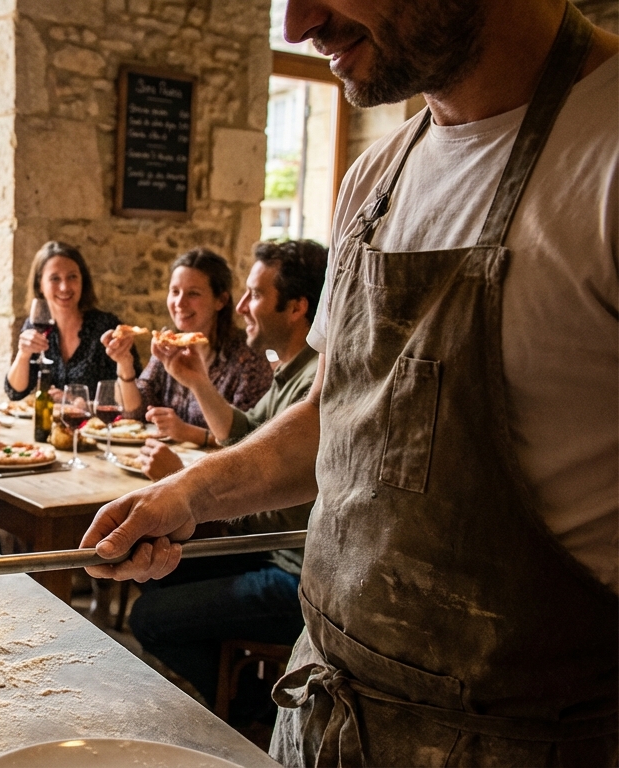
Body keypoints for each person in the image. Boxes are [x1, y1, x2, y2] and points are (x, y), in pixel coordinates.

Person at [83, 0, 617, 764]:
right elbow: (336, 413)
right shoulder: (376, 176)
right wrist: (191, 496)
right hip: (326, 712)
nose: (297, 24)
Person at [125, 239, 327, 714]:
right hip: (263, 550)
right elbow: (244, 440)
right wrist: (196, 379)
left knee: (150, 616)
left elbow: (276, 492)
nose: (240, 307)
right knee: (155, 569)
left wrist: (184, 482)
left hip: (293, 572)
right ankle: (232, 680)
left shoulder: (317, 381)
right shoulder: (292, 372)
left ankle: (251, 707)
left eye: (254, 294)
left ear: (297, 307)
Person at [128, 249, 272, 448]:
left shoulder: (248, 356)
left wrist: (187, 433)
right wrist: (124, 364)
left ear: (221, 300)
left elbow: (250, 438)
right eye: (175, 291)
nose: (179, 303)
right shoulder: (168, 344)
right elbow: (134, 412)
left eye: (193, 293)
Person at [4, 242, 140, 400]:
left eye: (72, 277)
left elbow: (132, 396)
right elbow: (15, 392)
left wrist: (76, 402)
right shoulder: (35, 326)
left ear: (83, 280)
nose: (64, 287)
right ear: (40, 285)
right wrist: (23, 354)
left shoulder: (107, 327)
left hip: (96, 424)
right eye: (55, 278)